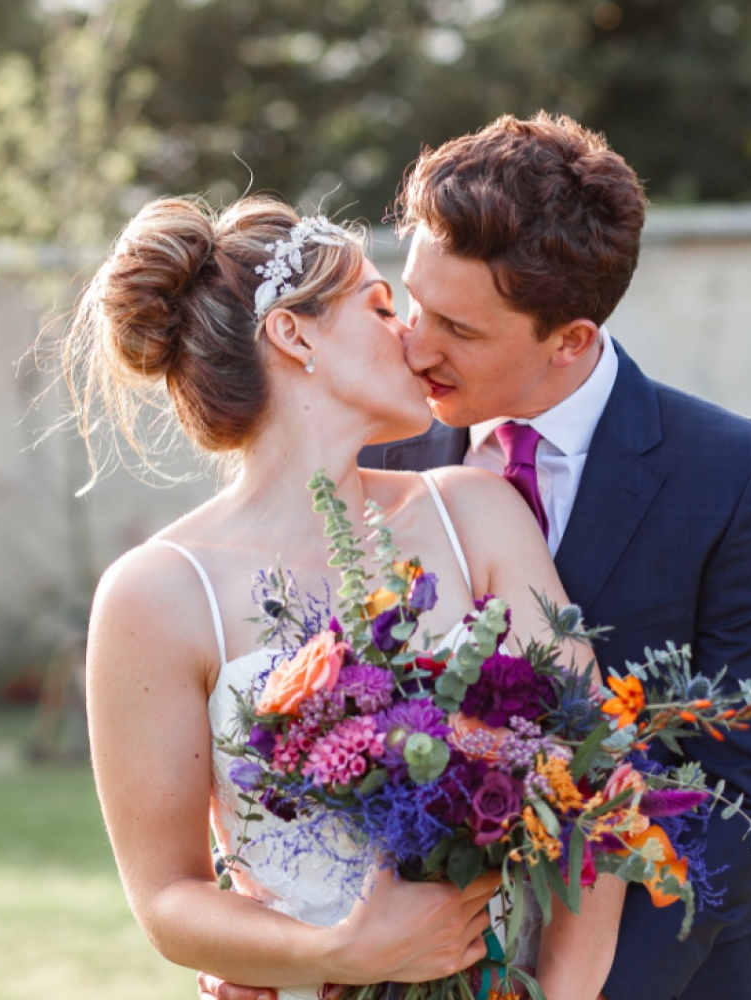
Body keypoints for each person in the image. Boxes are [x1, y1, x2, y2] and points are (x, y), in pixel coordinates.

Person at [202, 113, 751, 1000]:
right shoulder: (374, 447)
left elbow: (743, 799)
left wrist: (548, 983)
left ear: (569, 338)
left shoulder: (739, 476)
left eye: (458, 326)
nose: (413, 343)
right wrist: (277, 940)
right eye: (411, 301)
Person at [70, 194, 623, 1000]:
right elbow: (166, 899)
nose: (412, 334)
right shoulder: (154, 594)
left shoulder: (476, 511)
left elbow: (596, 774)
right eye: (378, 306)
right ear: (294, 335)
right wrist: (337, 953)